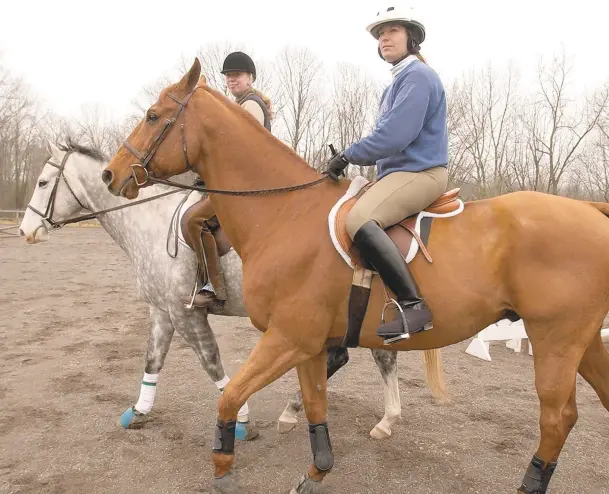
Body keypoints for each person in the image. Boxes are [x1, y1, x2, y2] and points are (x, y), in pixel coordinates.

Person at [327, 6, 449, 341]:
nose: (384, 38)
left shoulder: (419, 77)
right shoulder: (395, 85)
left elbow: (395, 136)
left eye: (392, 30)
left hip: (421, 171)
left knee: (359, 220)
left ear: (412, 38)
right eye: (380, 33)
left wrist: (347, 156)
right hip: (397, 174)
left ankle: (414, 306)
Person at [182, 51, 272, 308]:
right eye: (228, 77)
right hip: (236, 183)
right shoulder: (240, 104)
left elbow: (241, 150)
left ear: (250, 78)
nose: (232, 80)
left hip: (245, 187)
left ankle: (213, 288)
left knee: (195, 220)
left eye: (237, 76)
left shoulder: (251, 105)